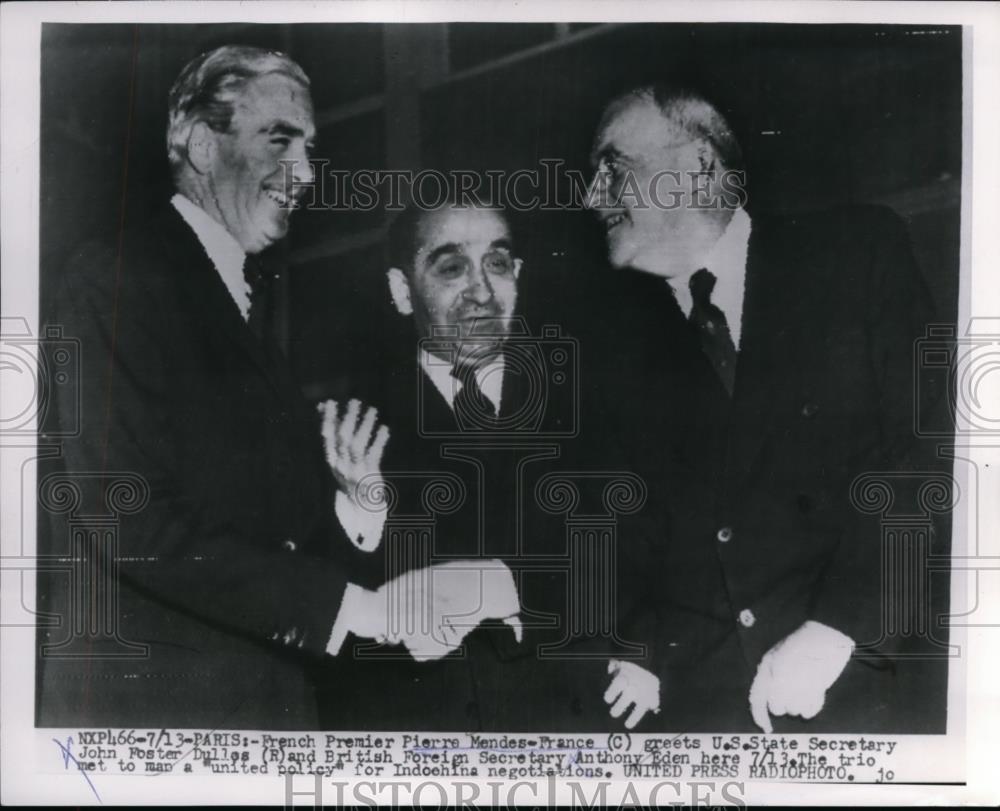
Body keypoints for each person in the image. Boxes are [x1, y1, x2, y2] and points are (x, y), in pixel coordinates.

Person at [36, 45, 519, 730]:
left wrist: (356, 505)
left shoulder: (238, 304)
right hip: (158, 719)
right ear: (203, 145)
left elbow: (266, 534)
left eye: (309, 148)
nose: (307, 172)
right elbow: (128, 515)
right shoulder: (116, 280)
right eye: (280, 140)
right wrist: (359, 610)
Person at [583, 83, 948, 731]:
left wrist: (838, 627)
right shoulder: (614, 351)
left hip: (869, 685)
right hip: (708, 713)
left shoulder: (856, 254)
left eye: (612, 167)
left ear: (698, 166)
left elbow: (926, 450)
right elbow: (624, 533)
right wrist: (642, 644)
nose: (591, 196)